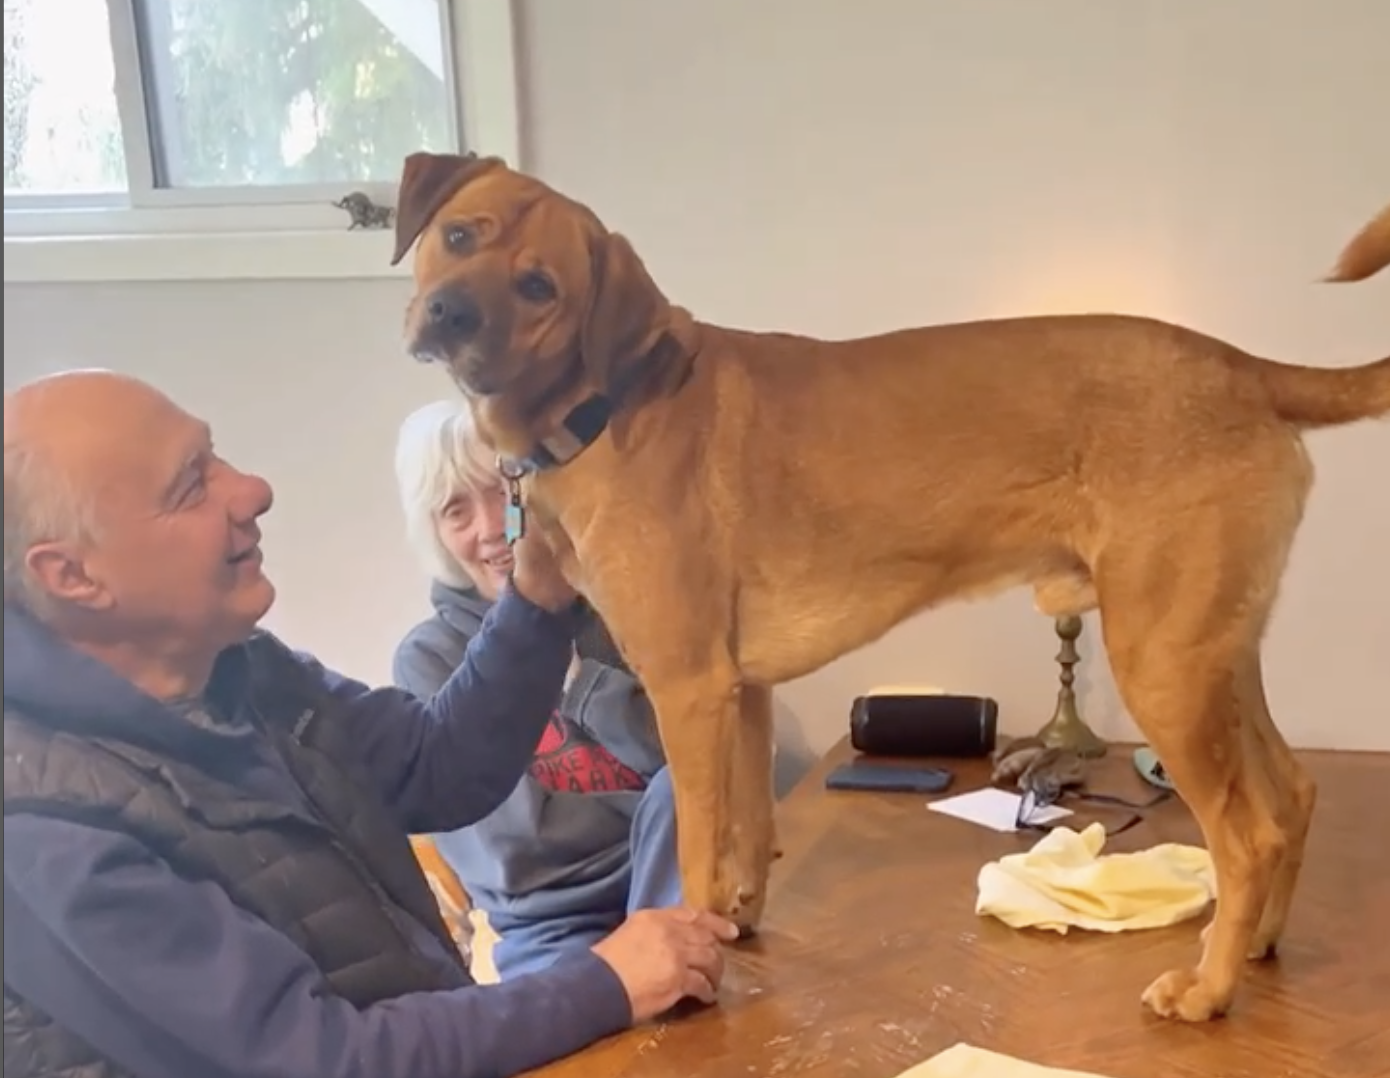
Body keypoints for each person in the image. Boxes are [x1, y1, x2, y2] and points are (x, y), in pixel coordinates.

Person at [2, 369, 739, 1078]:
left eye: (214, 454)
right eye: (191, 484)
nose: (253, 491)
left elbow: (438, 766)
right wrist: (604, 982)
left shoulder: (248, 671)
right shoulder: (44, 832)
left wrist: (538, 596)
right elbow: (321, 1058)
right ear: (72, 577)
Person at [392, 400, 679, 980]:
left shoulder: (619, 610)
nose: (492, 527)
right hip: (559, 934)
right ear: (436, 535)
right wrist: (652, 818)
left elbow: (695, 764)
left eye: (502, 491)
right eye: (455, 510)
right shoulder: (427, 661)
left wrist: (582, 680)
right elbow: (517, 857)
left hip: (681, 886)